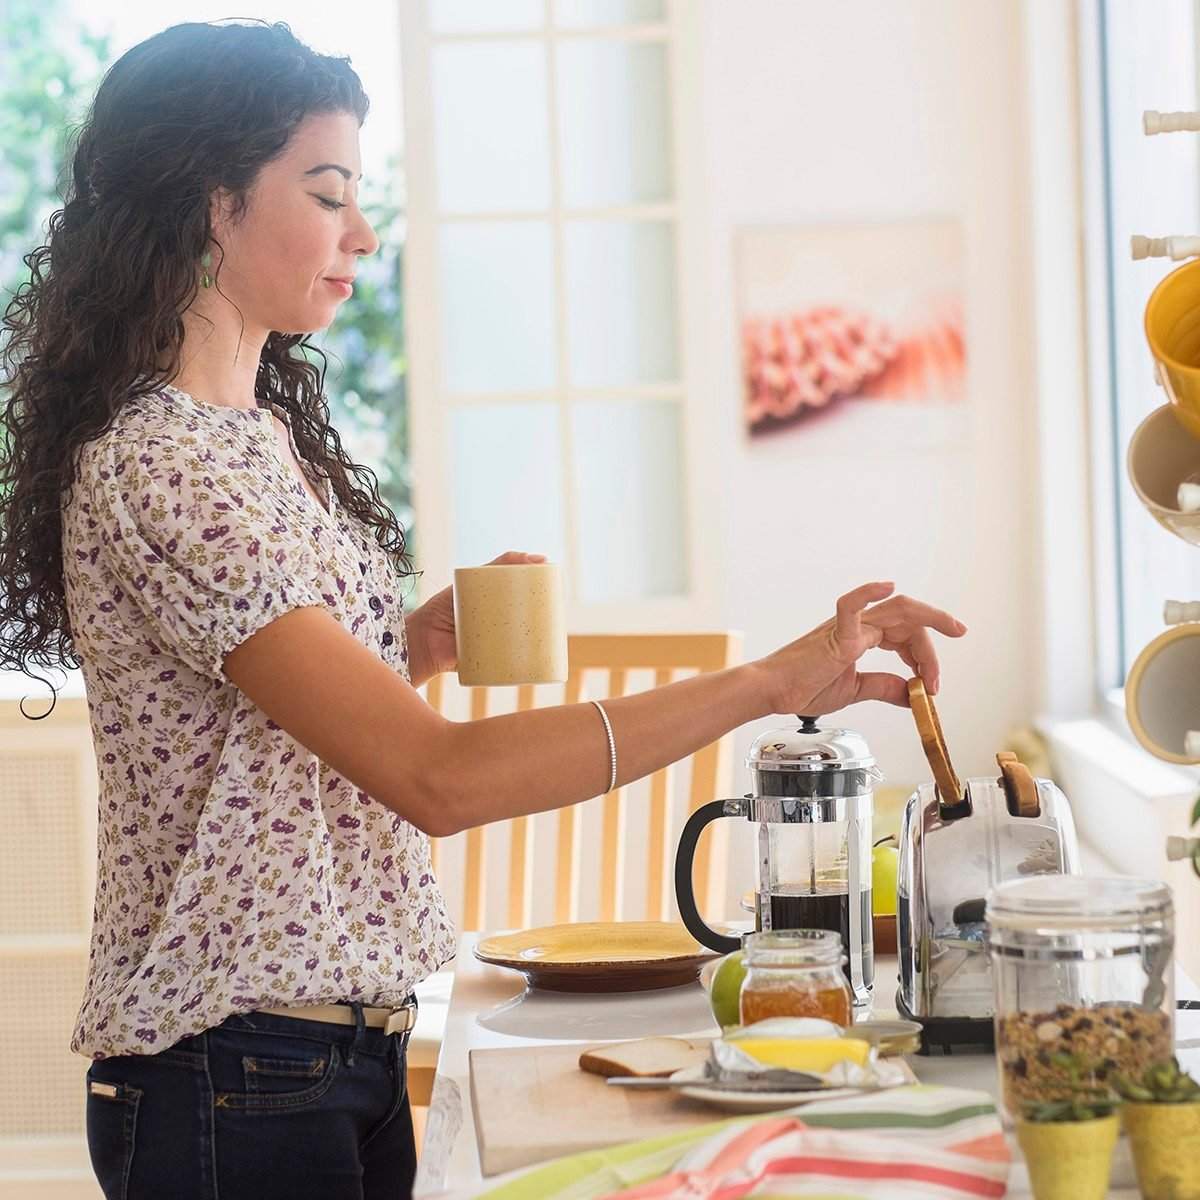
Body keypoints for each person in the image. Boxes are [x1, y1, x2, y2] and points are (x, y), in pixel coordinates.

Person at [0, 20, 967, 1200]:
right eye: (328, 192)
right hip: (234, 1066)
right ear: (210, 204)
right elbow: (438, 779)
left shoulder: (256, 440)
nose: (363, 232)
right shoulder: (165, 465)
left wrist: (398, 648)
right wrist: (771, 683)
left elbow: (255, 734)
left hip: (321, 1047)